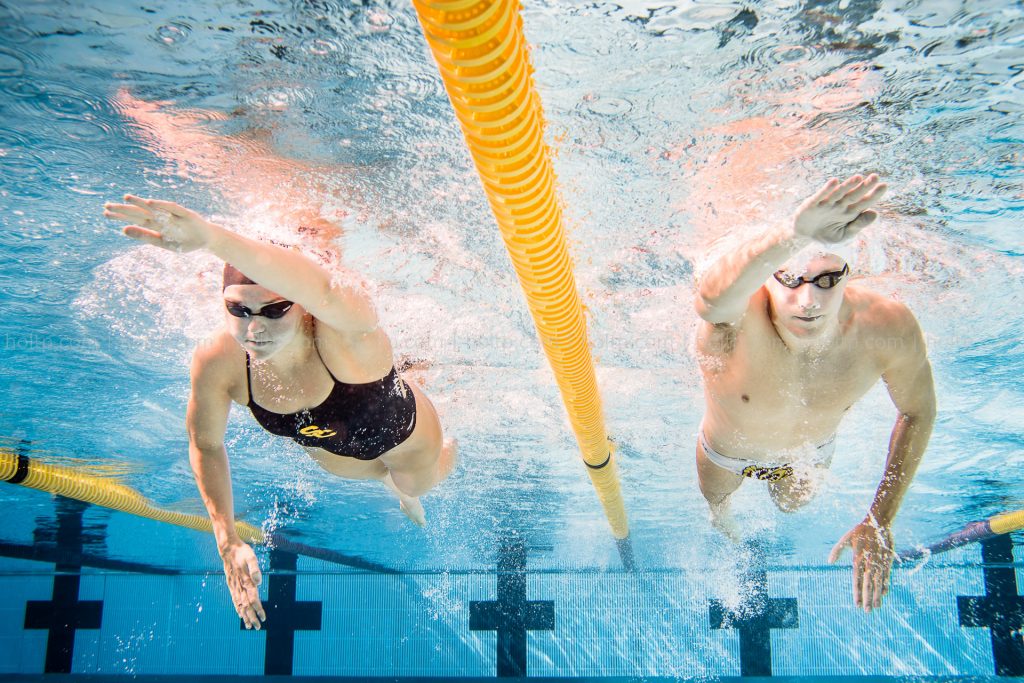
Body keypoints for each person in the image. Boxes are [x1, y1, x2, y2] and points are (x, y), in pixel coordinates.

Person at [103, 196, 455, 630]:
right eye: (239, 310)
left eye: (275, 309)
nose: (256, 328)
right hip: (335, 452)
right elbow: (205, 443)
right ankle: (393, 484)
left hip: (404, 434)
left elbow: (322, 288)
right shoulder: (219, 360)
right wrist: (227, 539)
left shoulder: (342, 329)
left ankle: (421, 465)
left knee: (413, 482)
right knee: (372, 475)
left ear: (301, 304)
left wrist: (213, 238)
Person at [694, 173, 936, 613]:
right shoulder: (737, 318)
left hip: (808, 453)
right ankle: (738, 550)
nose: (808, 301)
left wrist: (879, 520)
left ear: (848, 275)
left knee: (791, 508)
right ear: (767, 277)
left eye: (826, 281)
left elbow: (918, 411)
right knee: (720, 511)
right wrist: (795, 233)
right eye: (790, 278)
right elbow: (710, 298)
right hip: (726, 453)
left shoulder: (885, 327)